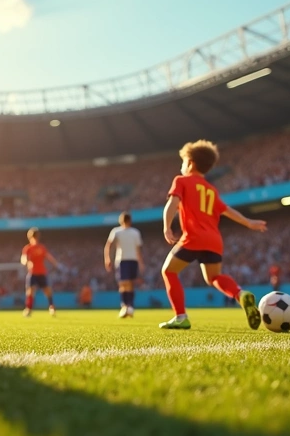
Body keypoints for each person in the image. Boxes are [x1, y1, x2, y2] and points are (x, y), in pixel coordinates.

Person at [159, 140, 267, 330]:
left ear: (190, 162)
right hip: (214, 240)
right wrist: (249, 222)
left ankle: (180, 316)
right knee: (213, 278)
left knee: (168, 271)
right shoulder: (211, 189)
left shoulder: (181, 180)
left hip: (194, 236)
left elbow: (172, 204)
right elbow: (227, 210)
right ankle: (240, 294)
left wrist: (167, 226)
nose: (182, 166)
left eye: (183, 162)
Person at [104, 212, 143, 318]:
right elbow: (109, 245)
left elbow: (137, 249)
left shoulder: (135, 232)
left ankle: (129, 306)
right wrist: (107, 258)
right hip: (122, 260)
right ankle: (125, 306)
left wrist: (140, 262)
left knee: (128, 283)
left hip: (131, 260)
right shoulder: (117, 231)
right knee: (124, 283)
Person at [21, 227, 61, 317]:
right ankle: (28, 309)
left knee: (47, 291)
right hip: (32, 273)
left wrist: (56, 264)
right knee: (30, 291)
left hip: (41, 272)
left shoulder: (41, 248)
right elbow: (23, 258)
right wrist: (25, 261)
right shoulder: (27, 248)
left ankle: (51, 307)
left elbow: (49, 257)